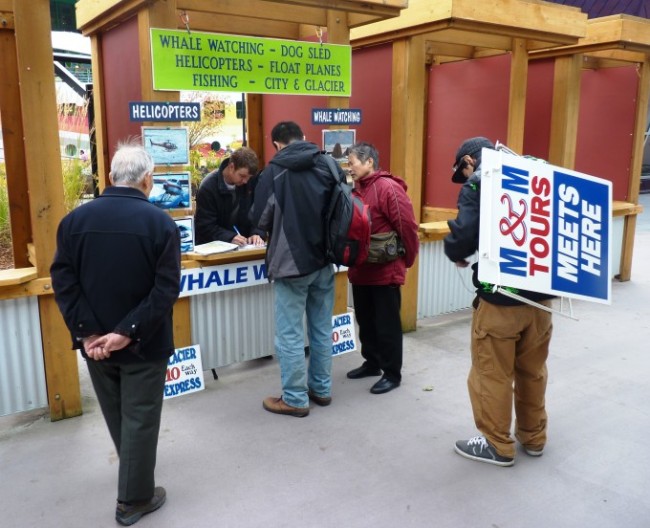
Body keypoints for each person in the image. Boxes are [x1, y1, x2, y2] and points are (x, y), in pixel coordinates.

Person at [50, 141, 181, 525]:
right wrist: (127, 332)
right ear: (147, 180)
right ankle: (133, 499)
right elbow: (165, 289)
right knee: (140, 418)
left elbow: (64, 281)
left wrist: (89, 333)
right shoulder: (160, 223)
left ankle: (133, 476)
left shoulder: (74, 222)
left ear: (111, 176)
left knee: (118, 416)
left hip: (95, 347)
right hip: (145, 343)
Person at [444, 136, 555, 467]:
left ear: (469, 161)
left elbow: (462, 237)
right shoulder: (538, 173)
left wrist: (456, 252)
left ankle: (497, 444)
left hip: (500, 301)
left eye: (462, 172)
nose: (464, 179)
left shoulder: (481, 183)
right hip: (542, 300)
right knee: (532, 371)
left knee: (491, 374)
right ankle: (534, 436)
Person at [251, 121, 343, 417]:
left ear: (276, 144)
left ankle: (294, 398)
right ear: (303, 138)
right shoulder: (328, 163)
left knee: (289, 334)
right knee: (321, 326)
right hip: (325, 259)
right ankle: (322, 388)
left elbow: (259, 217)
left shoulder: (274, 171)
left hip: (291, 263)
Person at [345, 142, 420, 394]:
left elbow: (407, 226)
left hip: (385, 269)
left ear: (369, 162)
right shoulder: (355, 189)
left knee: (387, 324)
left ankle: (392, 373)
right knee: (365, 320)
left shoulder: (388, 188)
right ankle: (372, 362)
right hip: (361, 268)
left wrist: (406, 260)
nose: (349, 168)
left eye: (352, 162)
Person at [194, 146, 265, 246]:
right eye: (242, 176)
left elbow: (259, 213)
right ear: (231, 167)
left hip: (244, 246)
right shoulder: (208, 187)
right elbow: (205, 226)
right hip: (215, 249)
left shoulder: (250, 182)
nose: (245, 181)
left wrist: (257, 233)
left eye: (249, 178)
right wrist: (230, 237)